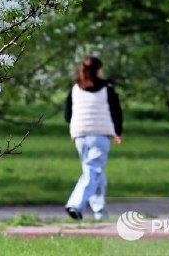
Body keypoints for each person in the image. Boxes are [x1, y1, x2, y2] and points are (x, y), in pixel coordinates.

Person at [63, 56, 123, 221]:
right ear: (98, 70)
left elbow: (67, 115)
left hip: (80, 136)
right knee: (93, 171)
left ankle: (100, 212)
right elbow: (116, 112)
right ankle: (76, 204)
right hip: (99, 136)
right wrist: (118, 132)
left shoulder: (75, 89)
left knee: (94, 172)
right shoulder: (107, 88)